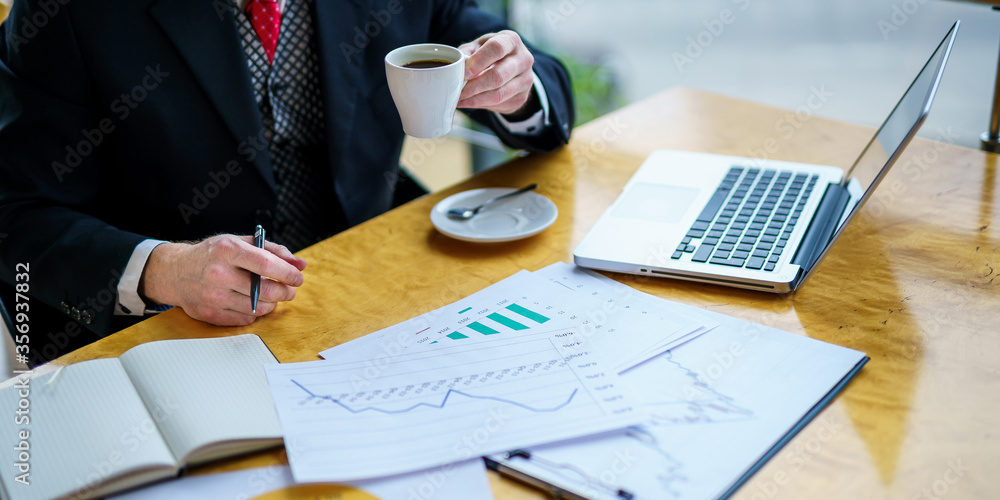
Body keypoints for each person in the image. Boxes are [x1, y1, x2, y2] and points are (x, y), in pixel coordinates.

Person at [0, 0, 574, 364]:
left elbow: (502, 56)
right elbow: (17, 213)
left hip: (374, 294)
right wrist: (162, 269)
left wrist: (517, 86)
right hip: (181, 338)